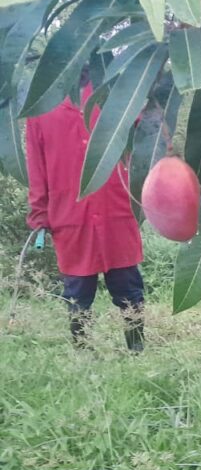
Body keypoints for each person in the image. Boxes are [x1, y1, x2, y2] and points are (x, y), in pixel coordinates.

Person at [25, 68, 146, 352]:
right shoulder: (40, 108)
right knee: (77, 293)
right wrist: (40, 214)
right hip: (70, 216)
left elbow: (144, 136)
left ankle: (137, 350)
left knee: (129, 288)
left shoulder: (115, 96)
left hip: (117, 209)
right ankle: (83, 353)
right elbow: (36, 165)